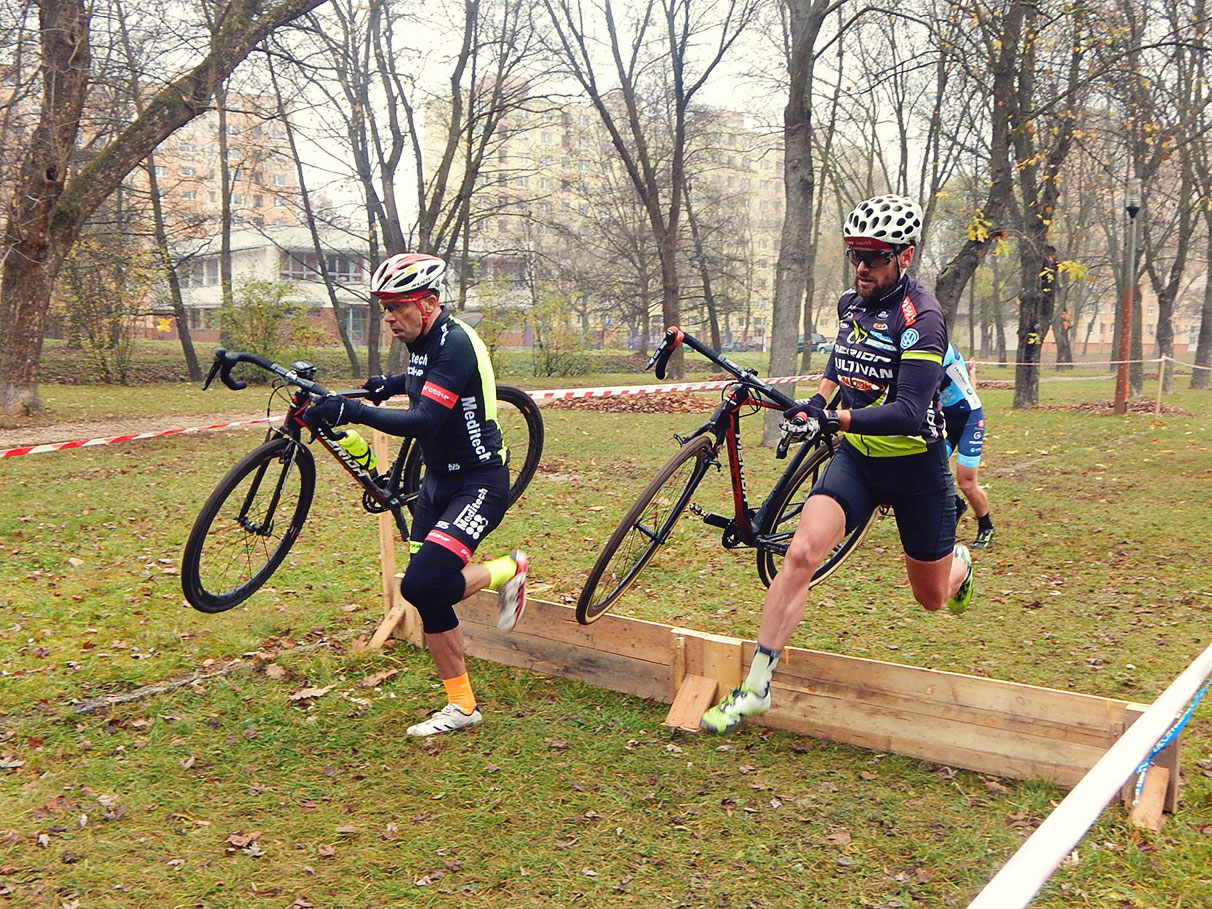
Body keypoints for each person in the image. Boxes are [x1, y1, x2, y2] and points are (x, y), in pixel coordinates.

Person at [701, 194, 974, 735]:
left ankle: (958, 565)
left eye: (874, 256)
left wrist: (834, 420)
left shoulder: (923, 319)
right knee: (800, 552)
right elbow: (840, 361)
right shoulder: (853, 302)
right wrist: (819, 403)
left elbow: (908, 411)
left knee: (931, 598)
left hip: (917, 469)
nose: (862, 266)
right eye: (855, 255)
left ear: (906, 256)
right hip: (859, 462)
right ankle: (756, 687)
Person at [302, 252, 528, 737]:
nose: (388, 318)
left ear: (427, 303)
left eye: (396, 306)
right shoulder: (422, 340)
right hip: (435, 483)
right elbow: (425, 380)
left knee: (420, 585)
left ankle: (510, 569)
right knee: (429, 594)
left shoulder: (456, 343)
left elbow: (426, 419)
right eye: (383, 306)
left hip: (478, 482)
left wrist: (352, 413)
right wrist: (391, 384)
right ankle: (463, 707)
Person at [940, 343, 995, 549]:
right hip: (944, 419)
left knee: (966, 482)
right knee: (927, 469)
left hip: (969, 418)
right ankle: (955, 504)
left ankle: (986, 526)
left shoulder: (942, 349)